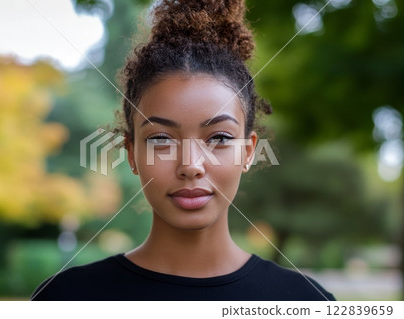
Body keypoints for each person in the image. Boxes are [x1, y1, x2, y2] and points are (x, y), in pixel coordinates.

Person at [31, 0, 335, 301]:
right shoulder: (66, 299)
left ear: (248, 151)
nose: (190, 165)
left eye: (218, 138)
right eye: (160, 138)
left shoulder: (305, 302)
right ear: (132, 152)